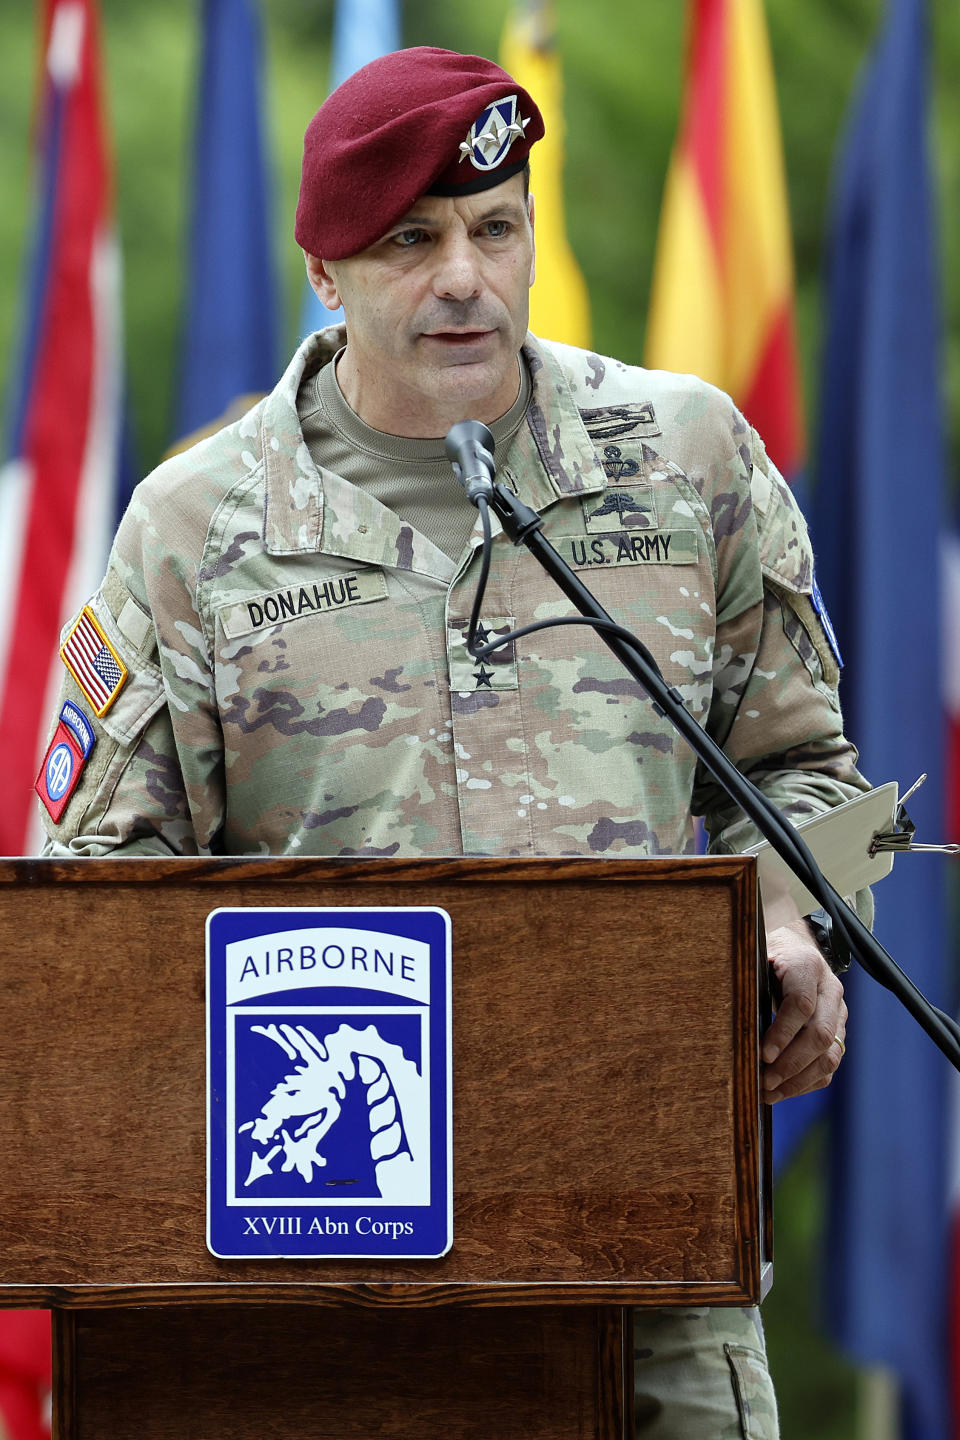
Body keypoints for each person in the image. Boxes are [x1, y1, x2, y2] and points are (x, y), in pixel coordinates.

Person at [37, 46, 867, 1439]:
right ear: (327, 272)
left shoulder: (687, 460)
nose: (466, 277)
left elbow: (819, 777)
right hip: (324, 1284)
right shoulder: (193, 530)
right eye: (411, 242)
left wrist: (797, 929)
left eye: (497, 227)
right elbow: (94, 910)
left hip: (646, 1252)